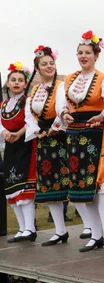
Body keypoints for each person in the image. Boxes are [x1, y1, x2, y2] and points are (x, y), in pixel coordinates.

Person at [54, 31, 104, 252]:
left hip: (100, 132)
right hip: (77, 135)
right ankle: (95, 234)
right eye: (80, 53)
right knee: (85, 187)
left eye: (87, 52)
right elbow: (61, 105)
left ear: (96, 55)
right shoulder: (68, 80)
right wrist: (64, 114)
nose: (83, 56)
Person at [24, 46, 72, 245]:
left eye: (51, 63)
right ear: (38, 68)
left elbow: (62, 107)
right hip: (44, 140)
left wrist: (53, 128)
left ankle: (91, 229)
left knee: (71, 183)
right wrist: (37, 131)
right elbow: (29, 114)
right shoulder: (34, 90)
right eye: (44, 64)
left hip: (60, 138)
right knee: (50, 187)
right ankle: (60, 230)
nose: (49, 66)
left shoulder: (60, 86)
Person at [1, 62, 37, 243]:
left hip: (26, 144)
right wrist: (5, 133)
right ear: (7, 83)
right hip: (10, 147)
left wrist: (17, 134)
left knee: (25, 187)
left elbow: (31, 122)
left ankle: (30, 228)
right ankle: (22, 228)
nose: (16, 83)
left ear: (25, 84)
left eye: (20, 80)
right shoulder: (4, 104)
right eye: (13, 80)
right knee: (12, 188)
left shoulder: (29, 101)